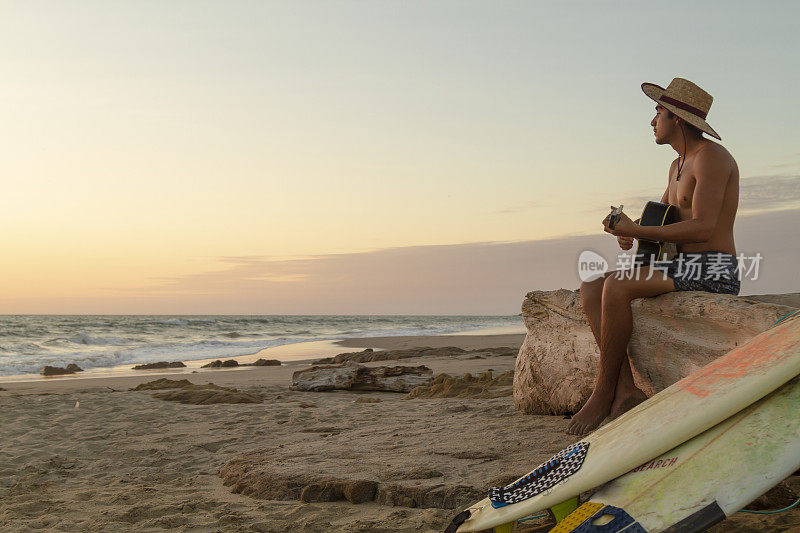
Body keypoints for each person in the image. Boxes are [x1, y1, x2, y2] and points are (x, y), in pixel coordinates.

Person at [566, 77, 741, 436]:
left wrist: (637, 230)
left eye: (658, 112)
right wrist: (626, 232)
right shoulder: (678, 164)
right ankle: (625, 391)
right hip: (679, 265)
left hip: (714, 267)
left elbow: (703, 228)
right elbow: (659, 220)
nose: (652, 121)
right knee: (590, 286)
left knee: (616, 285)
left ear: (676, 118)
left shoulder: (712, 159)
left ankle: (602, 393)